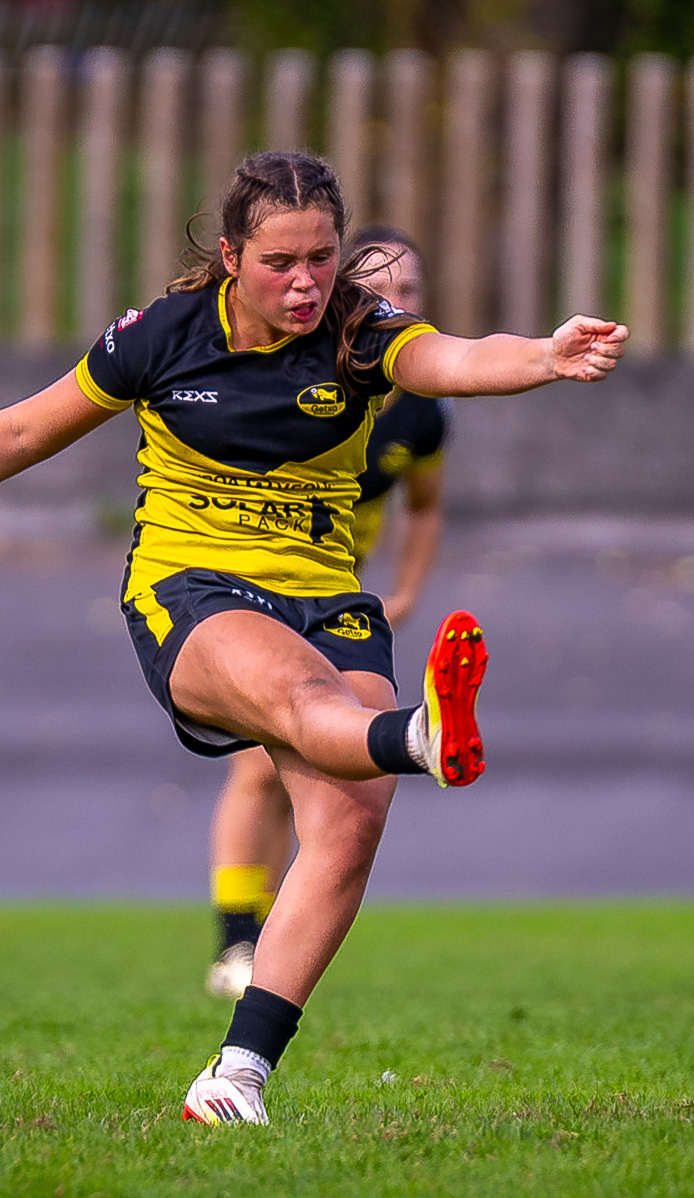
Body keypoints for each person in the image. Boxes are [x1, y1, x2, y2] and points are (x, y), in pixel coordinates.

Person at [0, 151, 628, 1127]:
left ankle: (236, 1077)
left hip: (326, 594)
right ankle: (419, 737)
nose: (308, 281)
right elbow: (23, 431)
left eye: (324, 256)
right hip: (194, 592)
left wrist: (543, 354)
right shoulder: (165, 335)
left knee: (349, 823)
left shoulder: (360, 330)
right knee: (308, 708)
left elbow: (453, 360)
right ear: (232, 256)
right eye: (282, 262)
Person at [204, 224, 451, 1002]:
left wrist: (407, 588)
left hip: (336, 596)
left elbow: (426, 506)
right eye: (381, 288)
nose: (396, 302)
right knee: (261, 763)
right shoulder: (306, 369)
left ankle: (268, 932)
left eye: (410, 291)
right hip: (254, 587)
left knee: (309, 771)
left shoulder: (420, 410)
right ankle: (235, 943)